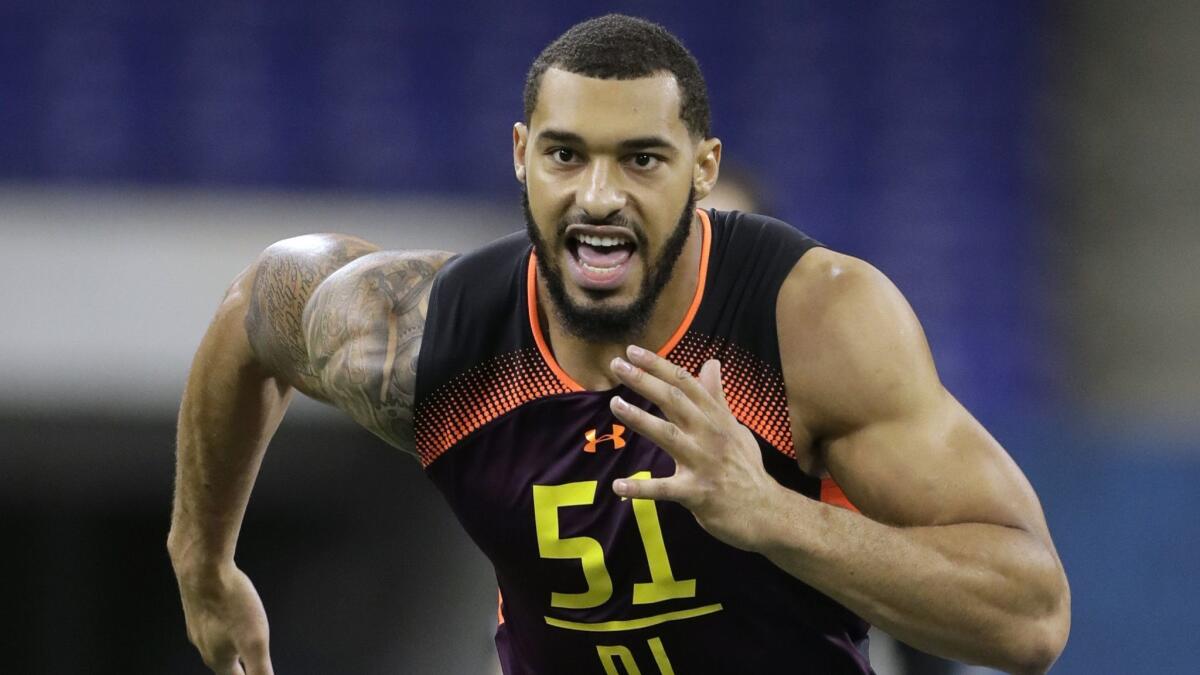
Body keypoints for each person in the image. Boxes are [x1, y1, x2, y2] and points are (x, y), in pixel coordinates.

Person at [168, 14, 1070, 675]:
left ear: (704, 169)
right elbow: (257, 305)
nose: (599, 195)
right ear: (521, 154)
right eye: (567, 155)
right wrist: (203, 562)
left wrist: (773, 513)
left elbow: (1031, 615)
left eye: (641, 158)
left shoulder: (813, 322)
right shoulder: (434, 342)